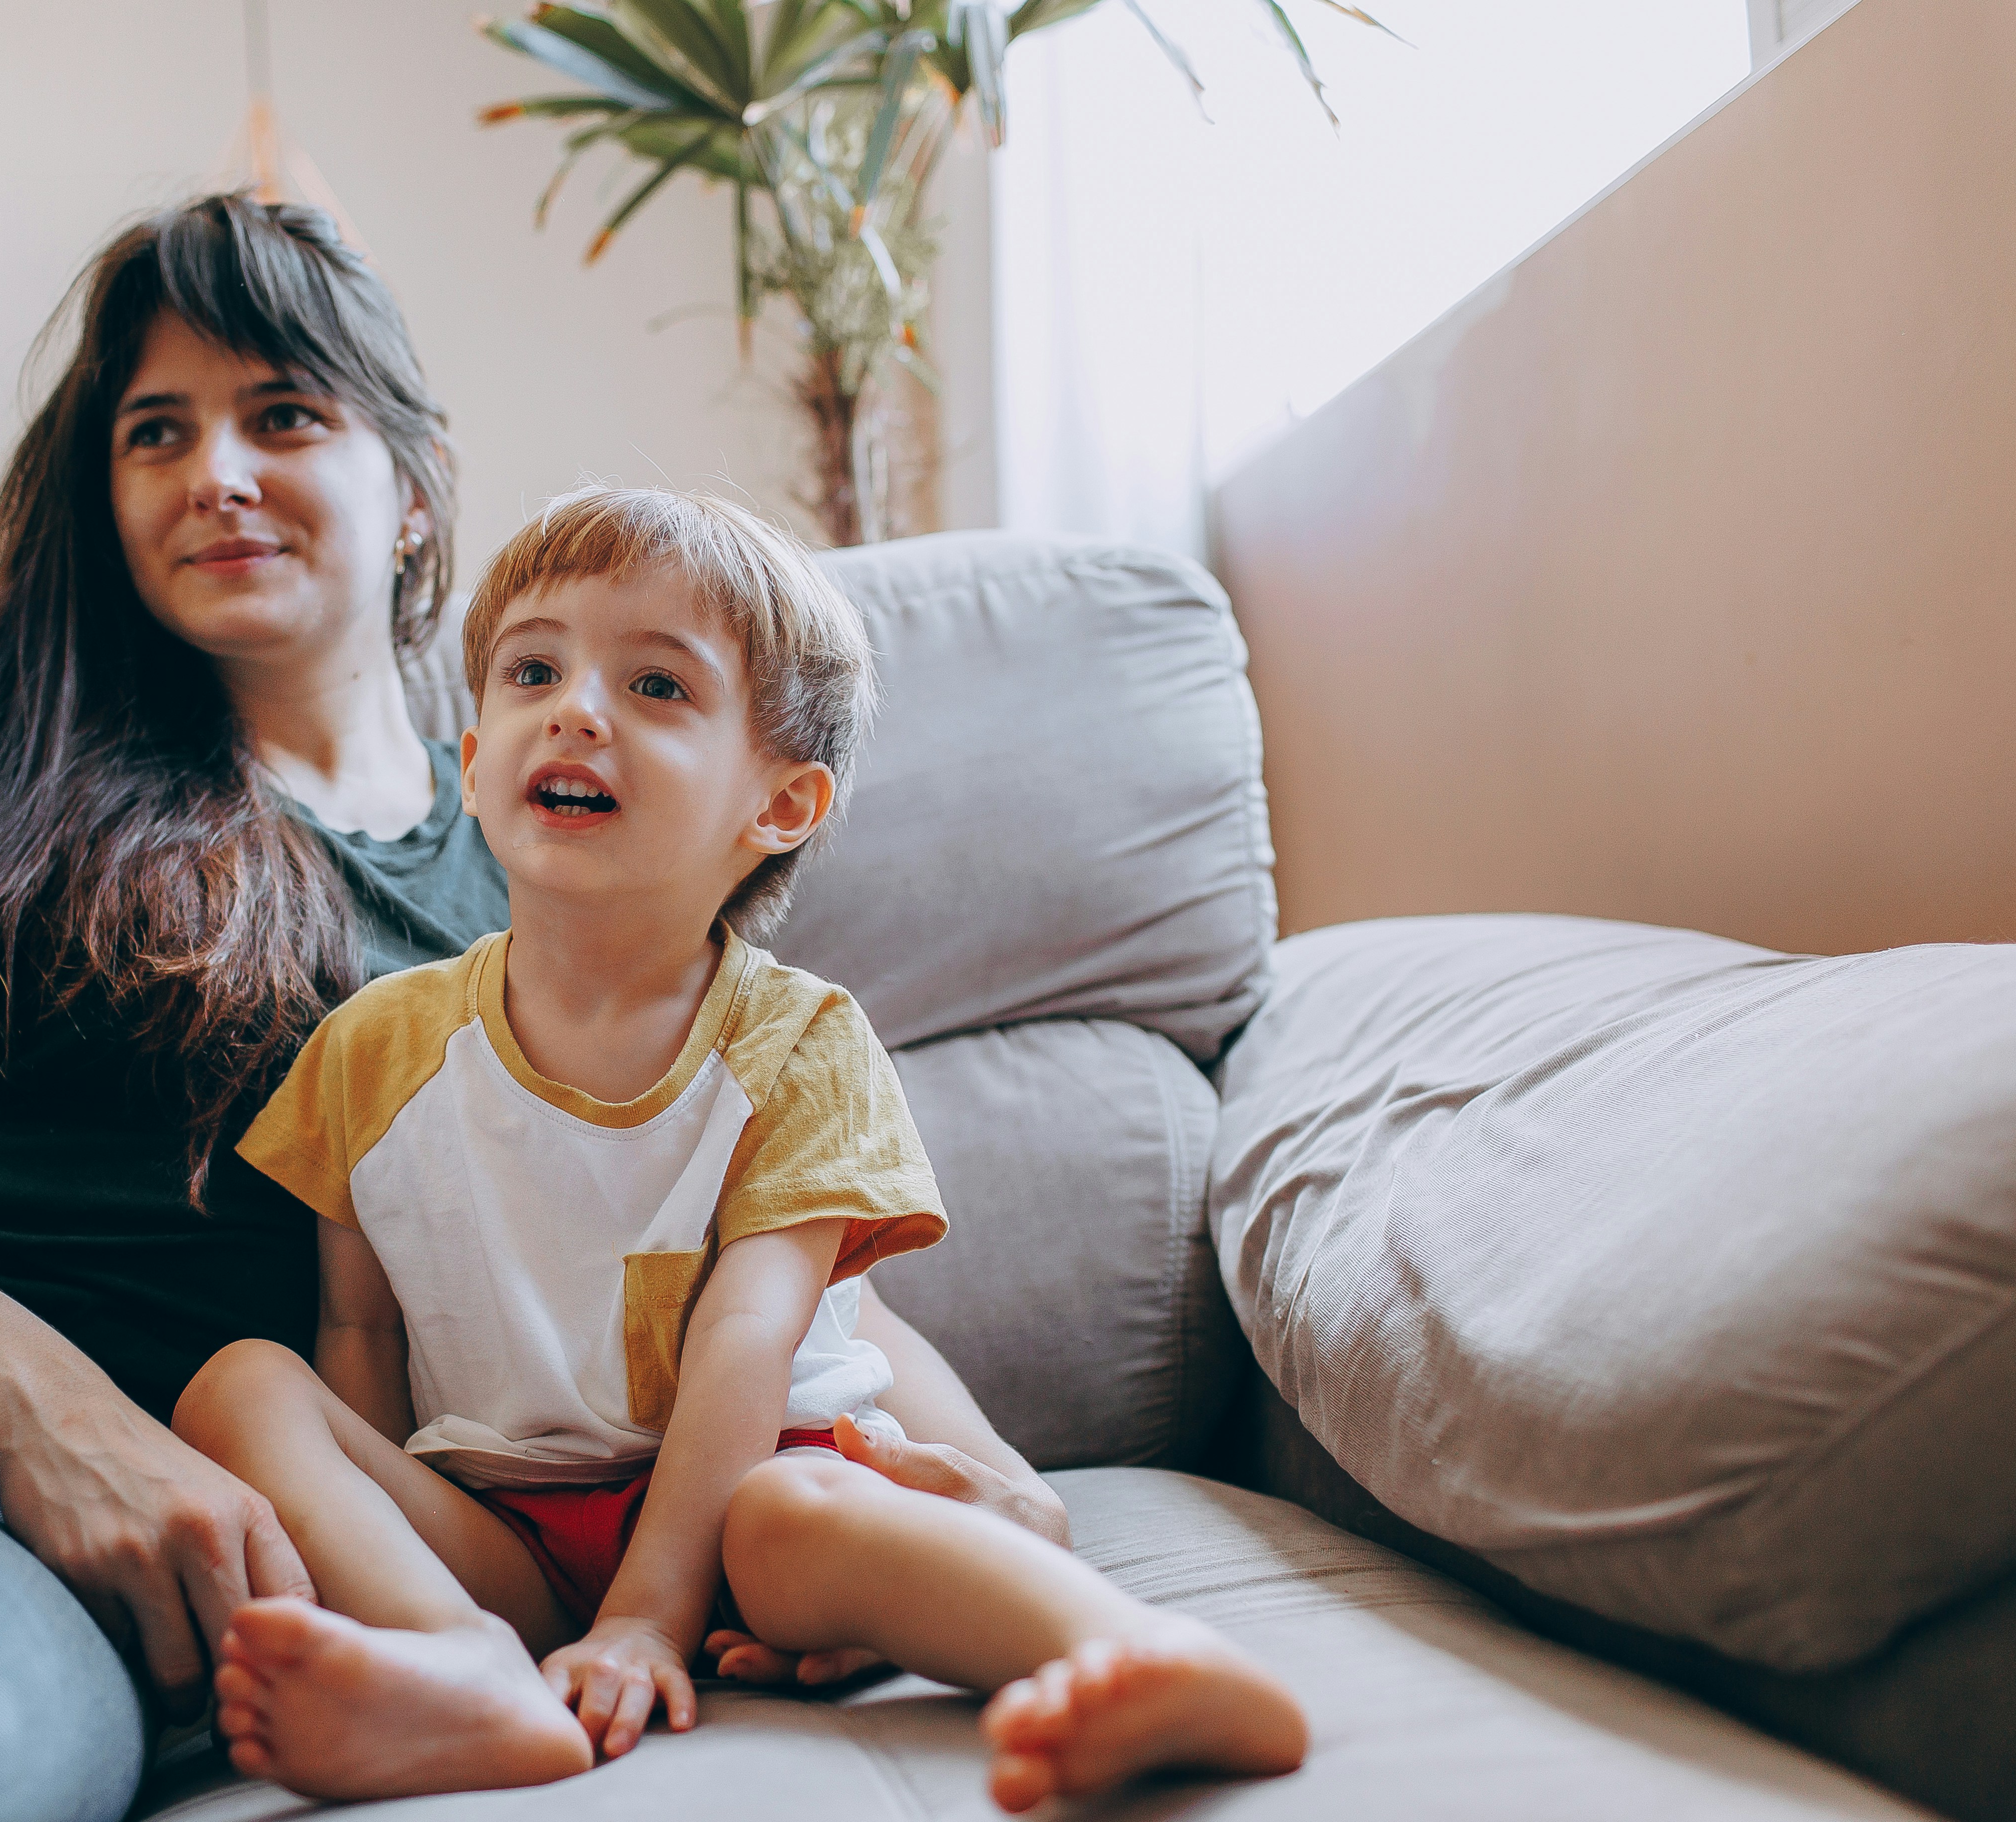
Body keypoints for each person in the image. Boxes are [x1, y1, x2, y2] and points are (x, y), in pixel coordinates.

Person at [0, 194, 1061, 1818]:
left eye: (283, 415)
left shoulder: (570, 862)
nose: (212, 470)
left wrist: (1003, 1495)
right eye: (155, 430)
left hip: (69, 1578)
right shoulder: (2, 762)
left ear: (419, 486)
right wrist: (48, 1412)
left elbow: (765, 1221)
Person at [171, 487, 1310, 1812]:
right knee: (239, 1386)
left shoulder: (799, 1043)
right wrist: (387, 1570)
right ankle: (459, 1670)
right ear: (475, 757)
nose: (577, 708)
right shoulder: (371, 1049)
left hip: (744, 1496)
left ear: (780, 804)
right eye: (534, 669)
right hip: (504, 1539)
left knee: (795, 1519)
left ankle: (1142, 1656)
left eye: (656, 684)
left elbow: (749, 1344)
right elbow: (360, 1345)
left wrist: (651, 1617)